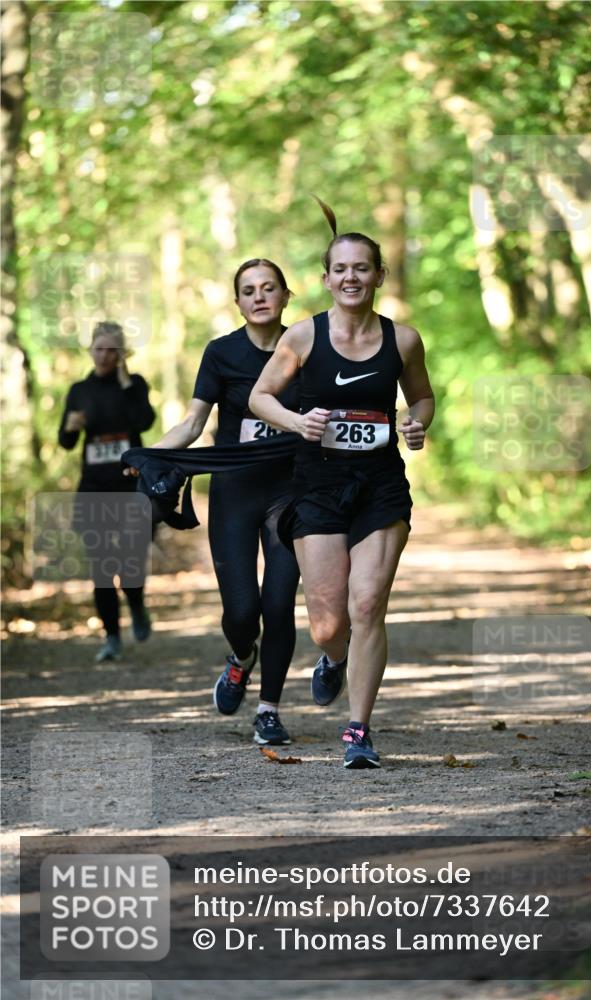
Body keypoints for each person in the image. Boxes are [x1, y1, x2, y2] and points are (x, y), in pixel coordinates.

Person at [249, 202, 435, 769]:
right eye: (341, 269)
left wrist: (417, 422)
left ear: (379, 276)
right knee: (330, 624)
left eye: (362, 268)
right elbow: (261, 397)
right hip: (319, 484)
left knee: (369, 603)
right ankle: (332, 659)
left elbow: (423, 396)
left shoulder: (403, 340)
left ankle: (358, 730)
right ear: (326, 279)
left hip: (379, 484)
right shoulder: (303, 337)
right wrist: (296, 421)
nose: (351, 277)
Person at [142, 259, 300, 747]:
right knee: (241, 611)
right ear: (238, 302)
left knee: (278, 605)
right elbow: (192, 424)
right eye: (248, 290)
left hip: (290, 492)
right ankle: (240, 658)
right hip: (233, 492)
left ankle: (269, 710)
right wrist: (150, 457)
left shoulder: (306, 348)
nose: (259, 296)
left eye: (268, 288)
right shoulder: (221, 352)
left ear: (285, 296)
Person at [59, 321, 156, 663]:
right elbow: (66, 441)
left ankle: (137, 603)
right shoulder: (79, 390)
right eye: (99, 348)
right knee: (101, 567)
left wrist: (128, 384)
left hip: (132, 488)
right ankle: (112, 637)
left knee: (130, 562)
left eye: (112, 349)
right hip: (94, 490)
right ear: (90, 350)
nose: (104, 355)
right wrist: (70, 428)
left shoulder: (134, 385)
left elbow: (145, 421)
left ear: (122, 354)